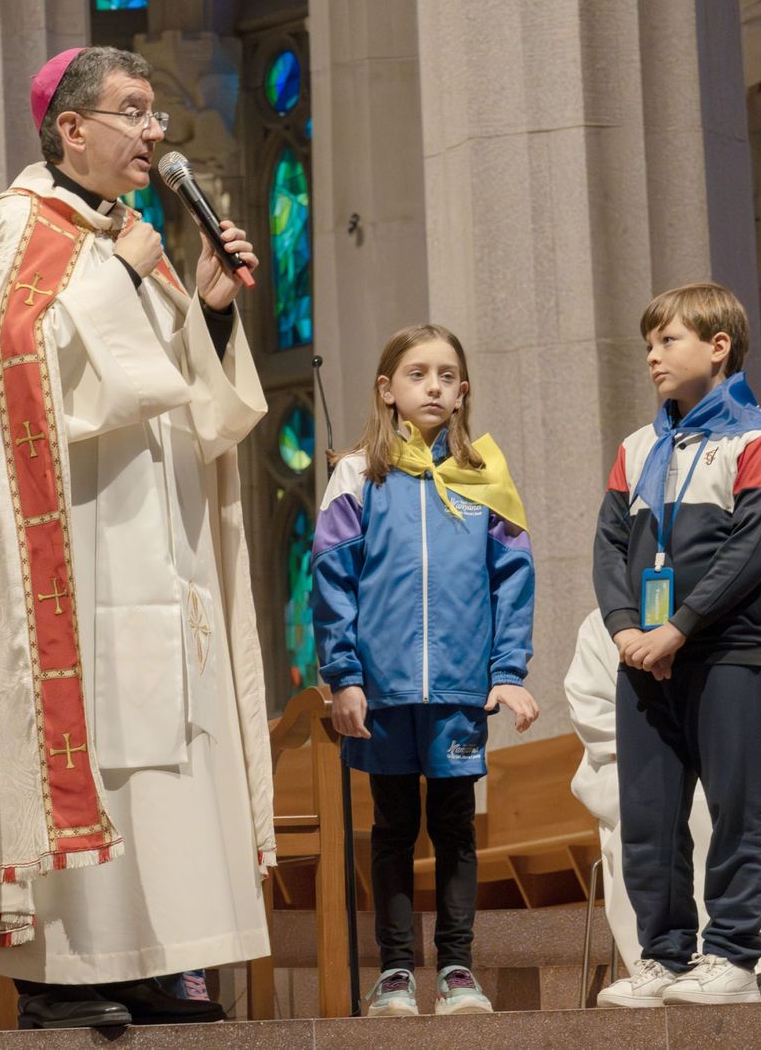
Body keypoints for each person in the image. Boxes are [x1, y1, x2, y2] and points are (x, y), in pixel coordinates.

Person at [0, 47, 277, 1028]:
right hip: (75, 549)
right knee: (101, 748)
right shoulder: (17, 223)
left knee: (164, 755)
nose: (153, 132)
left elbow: (197, 410)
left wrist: (203, 306)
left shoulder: (137, 236)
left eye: (155, 112)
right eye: (132, 112)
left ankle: (158, 960)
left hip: (160, 540)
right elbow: (20, 372)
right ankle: (69, 972)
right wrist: (116, 280)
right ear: (71, 127)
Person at [313, 324, 538, 1017]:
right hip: (380, 690)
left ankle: (459, 968)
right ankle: (397, 972)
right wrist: (344, 675)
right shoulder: (357, 474)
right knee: (391, 826)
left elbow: (513, 580)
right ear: (387, 390)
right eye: (417, 373)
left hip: (460, 690)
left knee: (455, 825)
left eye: (446, 375)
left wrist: (507, 670)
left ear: (463, 391)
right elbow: (330, 577)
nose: (433, 385)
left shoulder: (484, 474)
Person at [592, 281, 761, 1006]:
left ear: (718, 346)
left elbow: (752, 549)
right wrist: (627, 629)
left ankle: (735, 957)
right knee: (648, 816)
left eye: (667, 340)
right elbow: (610, 547)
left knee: (737, 810)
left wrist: (678, 626)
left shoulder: (757, 439)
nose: (652, 355)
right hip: (643, 659)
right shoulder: (638, 447)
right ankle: (665, 956)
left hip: (727, 654)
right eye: (648, 343)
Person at [565, 609, 761, 1002]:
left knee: (729, 801)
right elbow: (594, 715)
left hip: (734, 763)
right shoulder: (604, 621)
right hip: (640, 768)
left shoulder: (743, 603)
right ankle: (666, 961)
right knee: (664, 806)